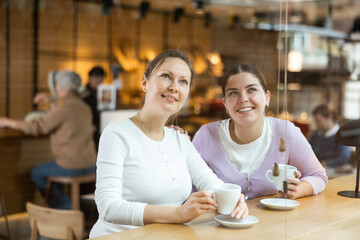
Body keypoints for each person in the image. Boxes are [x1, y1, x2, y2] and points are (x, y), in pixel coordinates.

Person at [89, 50, 248, 237]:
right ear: (144, 82)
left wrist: (233, 199)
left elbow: (210, 183)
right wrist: (178, 214)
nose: (174, 87)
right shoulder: (117, 134)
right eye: (166, 76)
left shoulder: (180, 139)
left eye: (183, 82)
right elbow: (108, 207)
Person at [192, 64, 328, 200]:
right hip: (219, 220)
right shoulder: (206, 135)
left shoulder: (286, 132)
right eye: (233, 93)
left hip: (272, 220)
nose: (243, 99)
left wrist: (298, 189)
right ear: (225, 104)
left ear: (267, 97)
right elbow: (188, 186)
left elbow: (318, 176)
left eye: (251, 89)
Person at [0, 71, 97, 209]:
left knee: (37, 173)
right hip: (91, 165)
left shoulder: (63, 109)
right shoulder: (85, 108)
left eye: (57, 86)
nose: (56, 89)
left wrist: (8, 123)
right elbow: (64, 119)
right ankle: (67, 211)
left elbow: (36, 127)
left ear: (66, 89)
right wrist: (53, 102)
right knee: (51, 172)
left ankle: (65, 208)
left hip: (70, 166)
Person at [81, 66, 106, 150]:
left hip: (100, 127)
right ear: (90, 78)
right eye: (95, 77)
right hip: (86, 127)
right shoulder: (83, 92)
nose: (98, 81)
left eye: (100, 78)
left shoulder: (104, 92)